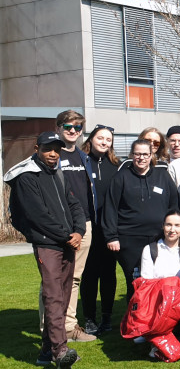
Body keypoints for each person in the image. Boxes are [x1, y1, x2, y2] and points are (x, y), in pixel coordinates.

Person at [3, 131, 85, 369]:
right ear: (36, 148)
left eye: (57, 150)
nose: (53, 154)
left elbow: (74, 204)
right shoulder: (27, 177)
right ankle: (61, 351)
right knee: (53, 296)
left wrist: (78, 231)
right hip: (48, 244)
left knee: (63, 295)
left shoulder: (58, 172)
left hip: (69, 242)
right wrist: (66, 236)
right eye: (48, 148)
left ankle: (45, 352)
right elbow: (37, 216)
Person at [103, 139, 179, 300]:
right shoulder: (121, 177)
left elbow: (174, 204)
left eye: (145, 154)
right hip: (129, 239)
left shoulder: (162, 176)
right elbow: (110, 208)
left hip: (158, 238)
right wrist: (111, 236)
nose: (141, 158)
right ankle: (135, 320)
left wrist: (174, 229)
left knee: (158, 278)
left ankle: (158, 319)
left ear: (151, 155)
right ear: (132, 155)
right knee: (136, 281)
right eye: (137, 154)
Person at [52, 111, 98, 343]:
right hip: (60, 224)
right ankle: (50, 329)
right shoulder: (51, 154)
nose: (73, 131)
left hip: (85, 224)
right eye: (68, 126)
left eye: (78, 128)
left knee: (75, 278)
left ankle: (69, 326)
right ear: (59, 127)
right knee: (53, 279)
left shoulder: (83, 156)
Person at [80, 125, 120, 335]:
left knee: (108, 274)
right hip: (87, 228)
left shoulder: (116, 166)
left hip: (108, 230)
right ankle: (89, 318)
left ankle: (106, 316)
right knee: (88, 275)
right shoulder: (81, 162)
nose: (104, 142)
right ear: (91, 139)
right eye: (100, 138)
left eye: (108, 139)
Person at [140, 211, 180, 289]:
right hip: (157, 296)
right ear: (163, 226)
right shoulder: (149, 250)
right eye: (168, 225)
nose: (172, 230)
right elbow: (147, 281)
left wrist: (174, 291)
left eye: (177, 225)